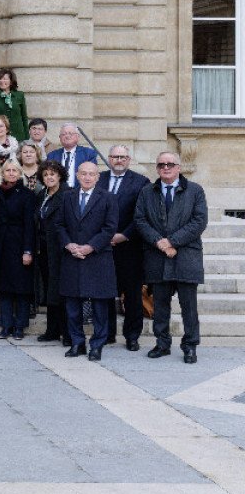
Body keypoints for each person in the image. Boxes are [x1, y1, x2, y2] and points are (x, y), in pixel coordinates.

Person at [135, 152, 209, 364]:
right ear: (157, 168)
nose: (165, 167)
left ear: (179, 167)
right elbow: (140, 220)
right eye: (161, 164)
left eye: (170, 164)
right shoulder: (147, 192)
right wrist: (159, 242)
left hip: (186, 256)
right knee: (160, 305)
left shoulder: (195, 190)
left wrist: (172, 242)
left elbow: (199, 221)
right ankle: (162, 343)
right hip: (157, 256)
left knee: (189, 307)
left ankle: (190, 346)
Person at [57, 162, 118, 361]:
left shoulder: (108, 198)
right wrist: (69, 245)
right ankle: (77, 343)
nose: (87, 177)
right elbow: (58, 225)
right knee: (72, 306)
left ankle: (97, 345)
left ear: (98, 177)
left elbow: (110, 228)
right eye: (83, 174)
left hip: (98, 258)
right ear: (77, 175)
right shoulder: (67, 197)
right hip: (72, 257)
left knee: (100, 307)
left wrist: (90, 247)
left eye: (92, 174)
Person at [98, 145, 151, 350]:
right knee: (105, 292)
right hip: (102, 247)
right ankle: (107, 333)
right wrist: (102, 237)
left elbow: (142, 215)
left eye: (123, 157)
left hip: (129, 246)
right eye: (115, 156)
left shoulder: (141, 182)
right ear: (109, 159)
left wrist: (124, 235)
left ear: (128, 160)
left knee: (132, 293)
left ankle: (132, 336)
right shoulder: (98, 178)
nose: (118, 160)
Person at [0, 159, 36, 340]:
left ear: (19, 173)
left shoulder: (26, 194)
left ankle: (20, 326)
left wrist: (28, 250)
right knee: (4, 289)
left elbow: (29, 225)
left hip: (19, 245)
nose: (11, 173)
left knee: (21, 289)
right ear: (3, 173)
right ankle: (6, 325)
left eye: (14, 170)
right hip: (0, 245)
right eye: (7, 170)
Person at [35, 161, 71, 345]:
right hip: (44, 249)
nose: (49, 177)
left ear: (60, 176)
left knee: (62, 291)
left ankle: (67, 333)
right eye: (46, 174)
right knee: (50, 290)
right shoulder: (42, 194)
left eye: (53, 174)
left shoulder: (67, 195)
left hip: (61, 249)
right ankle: (52, 330)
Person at [46, 123, 98, 188]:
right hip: (58, 193)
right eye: (64, 134)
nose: (67, 136)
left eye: (70, 133)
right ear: (60, 138)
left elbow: (91, 176)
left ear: (78, 136)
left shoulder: (88, 154)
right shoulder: (52, 155)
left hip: (79, 193)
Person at [0, 68, 29, 140]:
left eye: (5, 79)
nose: (2, 81)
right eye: (0, 79)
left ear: (11, 82)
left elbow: (24, 118)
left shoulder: (20, 95)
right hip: (0, 137)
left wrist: (27, 138)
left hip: (18, 136)